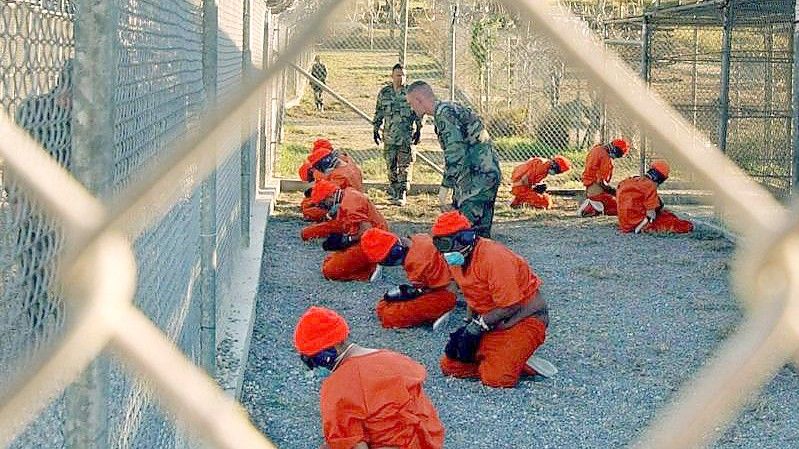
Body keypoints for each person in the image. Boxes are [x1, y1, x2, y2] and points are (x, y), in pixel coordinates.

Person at [294, 306, 445, 449]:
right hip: (429, 442)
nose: (313, 368)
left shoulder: (338, 386)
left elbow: (352, 443)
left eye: (311, 360)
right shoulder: (394, 358)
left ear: (326, 354)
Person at [430, 211, 549, 388]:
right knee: (450, 366)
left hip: (523, 319)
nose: (444, 252)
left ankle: (514, 361)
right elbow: (471, 291)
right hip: (494, 320)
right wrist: (469, 323)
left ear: (465, 238)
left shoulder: (494, 257)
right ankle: (504, 357)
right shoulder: (457, 259)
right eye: (439, 244)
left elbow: (511, 305)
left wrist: (479, 325)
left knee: (497, 379)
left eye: (446, 243)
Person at [405, 81, 501, 238]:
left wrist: (445, 187)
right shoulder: (448, 108)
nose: (411, 107)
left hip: (478, 177)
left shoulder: (444, 114)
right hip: (483, 173)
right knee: (479, 235)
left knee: (467, 235)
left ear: (419, 100)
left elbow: (455, 153)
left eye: (411, 103)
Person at [360, 228, 455, 329]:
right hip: (440, 287)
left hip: (446, 293)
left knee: (389, 315)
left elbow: (446, 287)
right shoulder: (418, 239)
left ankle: (439, 312)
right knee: (385, 304)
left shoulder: (417, 262)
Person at [301, 180, 389, 281]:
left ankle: (370, 271)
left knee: (330, 271)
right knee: (329, 261)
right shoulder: (347, 194)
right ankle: (368, 263)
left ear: (331, 196)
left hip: (374, 242)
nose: (324, 207)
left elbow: (366, 231)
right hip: (371, 236)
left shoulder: (350, 203)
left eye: (324, 203)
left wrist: (346, 240)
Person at [373, 63, 423, 206]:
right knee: (391, 166)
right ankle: (394, 190)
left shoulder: (410, 94)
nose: (400, 78)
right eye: (398, 75)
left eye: (403, 75)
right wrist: (375, 128)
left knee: (404, 165)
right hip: (389, 136)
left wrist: (419, 129)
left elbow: (419, 113)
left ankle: (402, 193)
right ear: (392, 76)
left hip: (405, 137)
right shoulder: (385, 93)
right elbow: (379, 111)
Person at [617, 160, 694, 234]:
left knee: (665, 213)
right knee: (684, 225)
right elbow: (651, 215)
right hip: (638, 224)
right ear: (660, 179)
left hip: (624, 224)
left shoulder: (628, 181)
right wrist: (640, 228)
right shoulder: (650, 186)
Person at [300, 139, 364, 222]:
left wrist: (314, 202)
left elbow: (329, 195)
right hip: (353, 202)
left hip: (348, 208)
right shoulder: (345, 161)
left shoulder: (338, 175)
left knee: (308, 210)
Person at [577, 138, 629, 217]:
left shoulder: (597, 149)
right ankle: (592, 207)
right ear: (615, 150)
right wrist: (616, 192)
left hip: (591, 189)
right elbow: (601, 182)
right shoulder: (605, 157)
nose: (617, 157)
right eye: (619, 155)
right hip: (598, 193)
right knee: (622, 208)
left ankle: (594, 205)